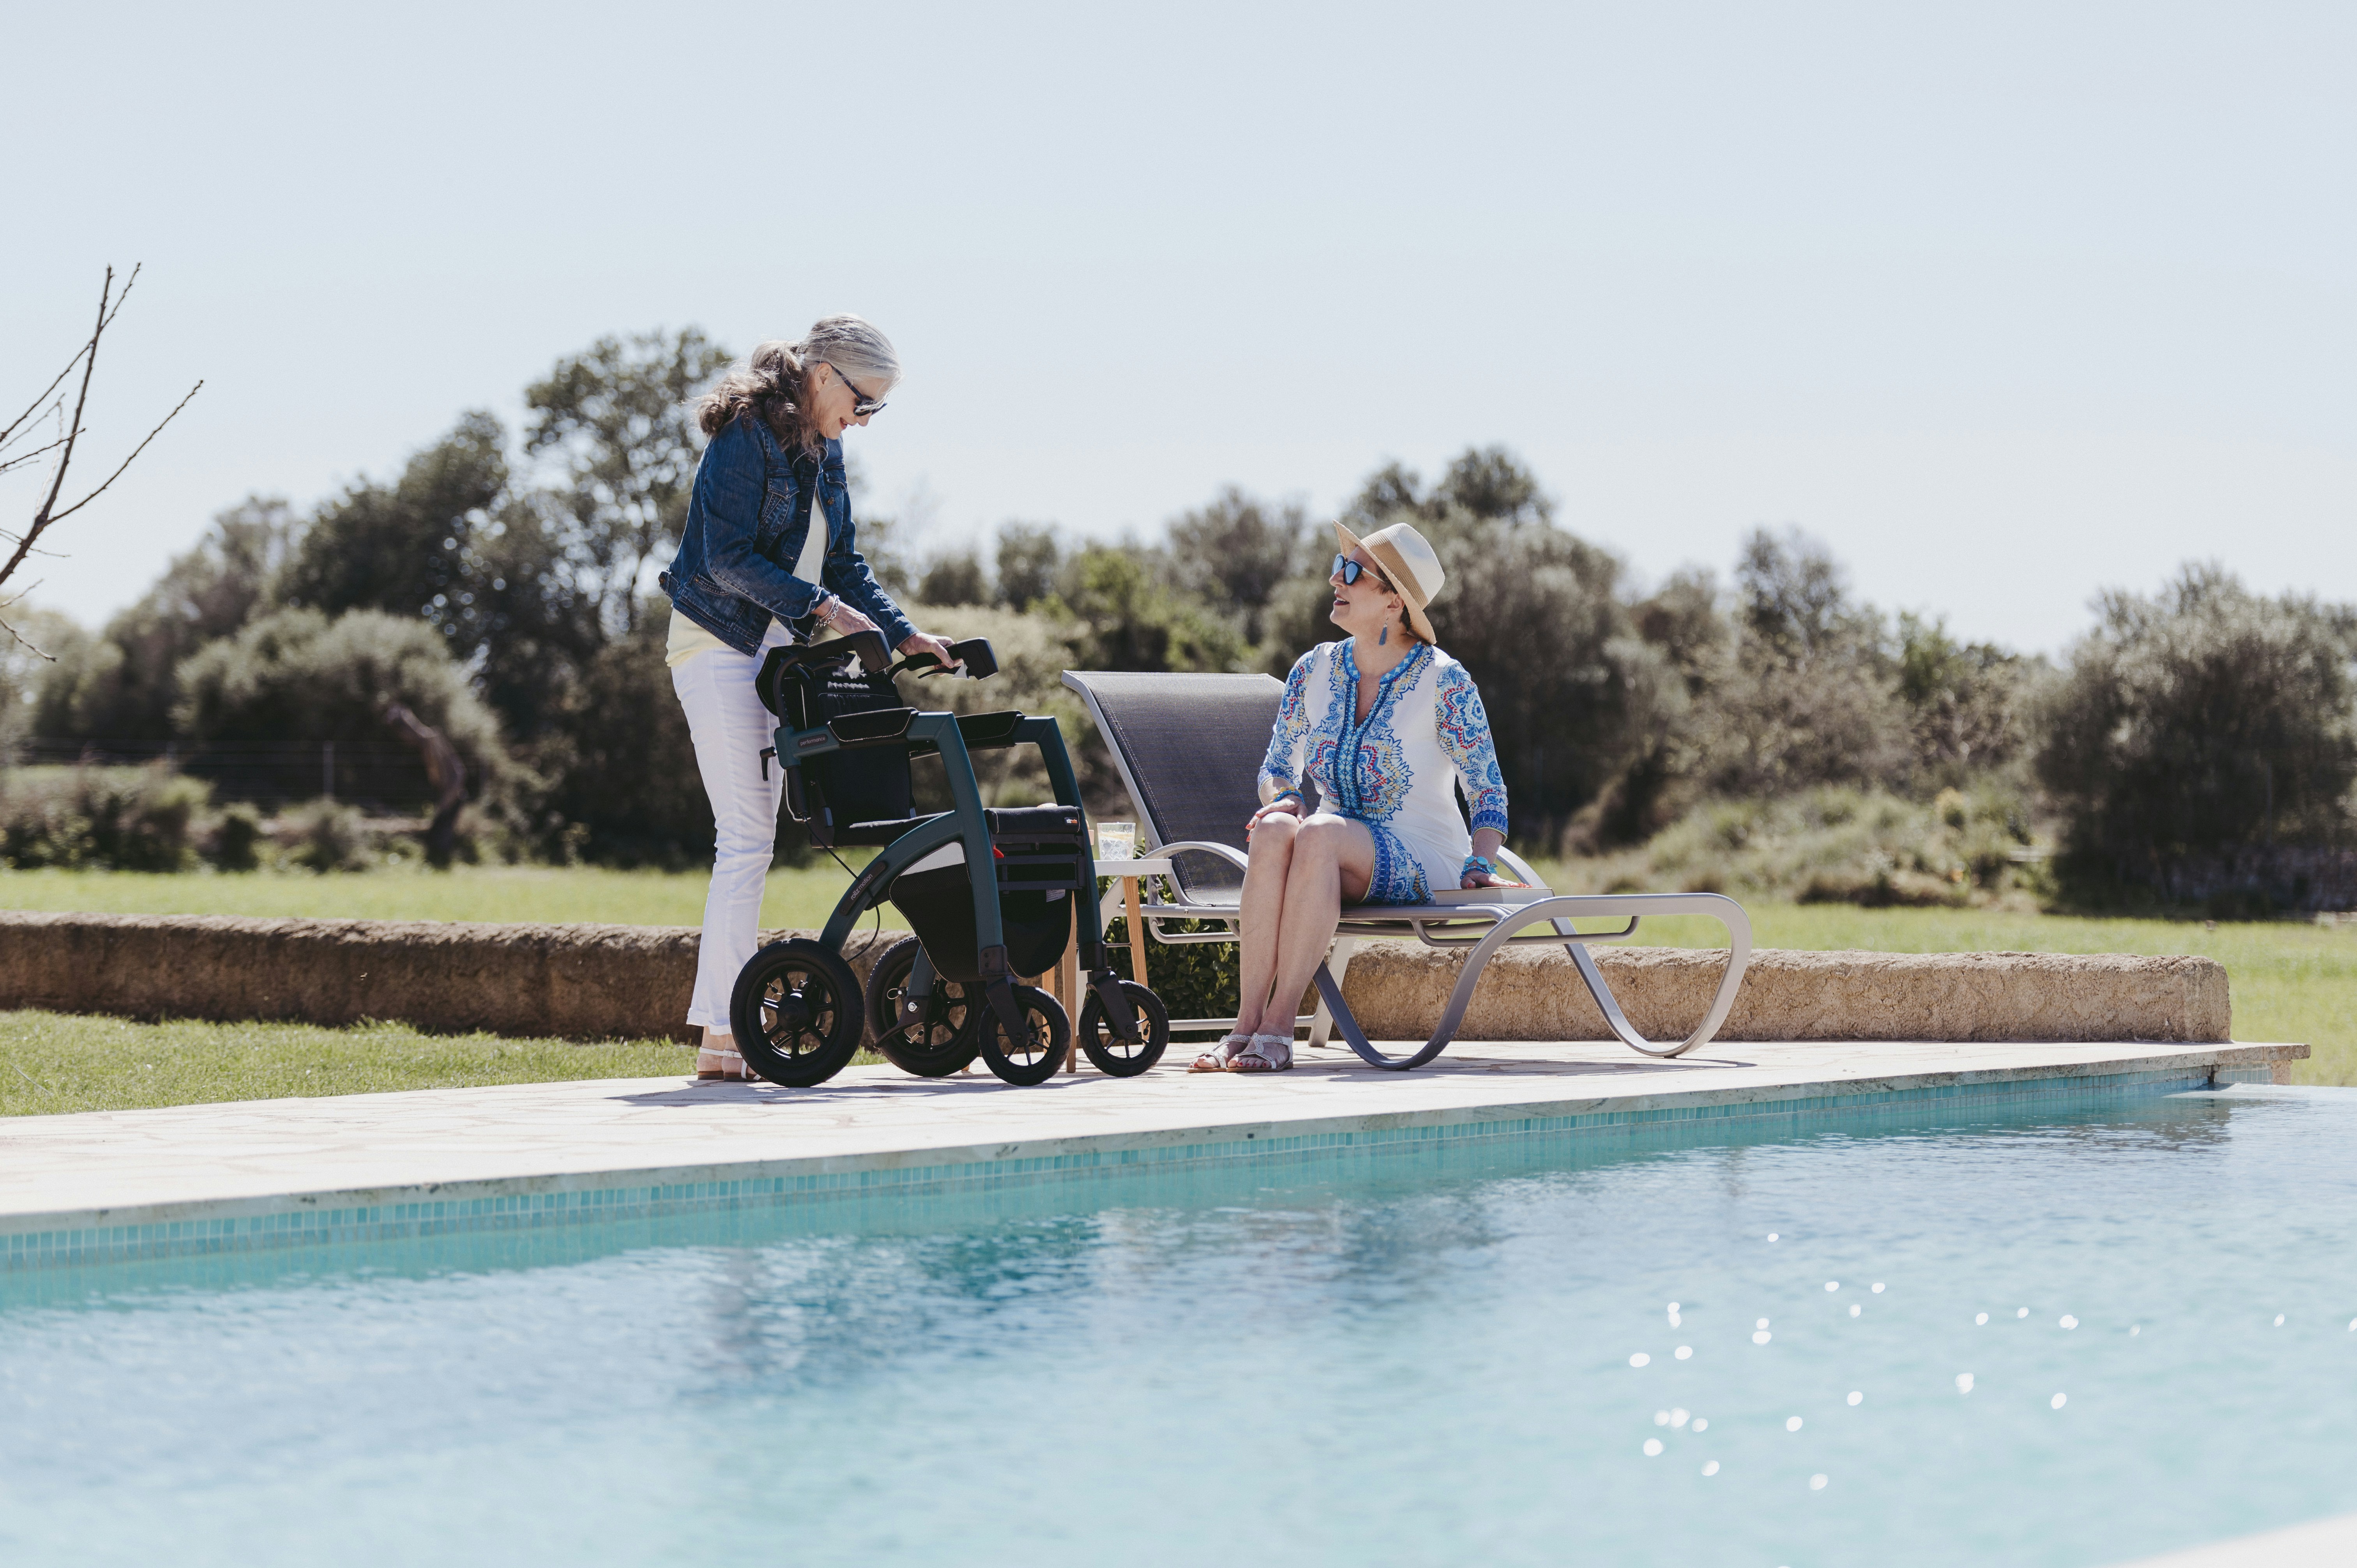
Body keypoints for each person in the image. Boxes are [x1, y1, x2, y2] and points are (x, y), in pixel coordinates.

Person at [659, 316, 957, 1082]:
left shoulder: (827, 453)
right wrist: (823, 607)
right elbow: (725, 557)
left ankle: (726, 1037)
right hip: (718, 641)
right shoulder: (747, 437)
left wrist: (905, 632)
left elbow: (848, 562)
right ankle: (725, 1034)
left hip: (776, 656)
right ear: (823, 375)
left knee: (758, 837)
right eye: (864, 402)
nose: (864, 420)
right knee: (747, 837)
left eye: (875, 409)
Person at [1194, 520, 1511, 1074]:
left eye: (1351, 572)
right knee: (1275, 828)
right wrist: (1286, 797)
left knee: (1319, 831)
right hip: (1330, 854)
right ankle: (1244, 1024)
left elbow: (1486, 787)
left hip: (1424, 855)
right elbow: (1276, 767)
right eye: (1338, 566)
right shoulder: (1313, 669)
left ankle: (1280, 1025)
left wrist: (1481, 862)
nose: (1333, 578)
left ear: (1393, 601)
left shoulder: (1446, 680)